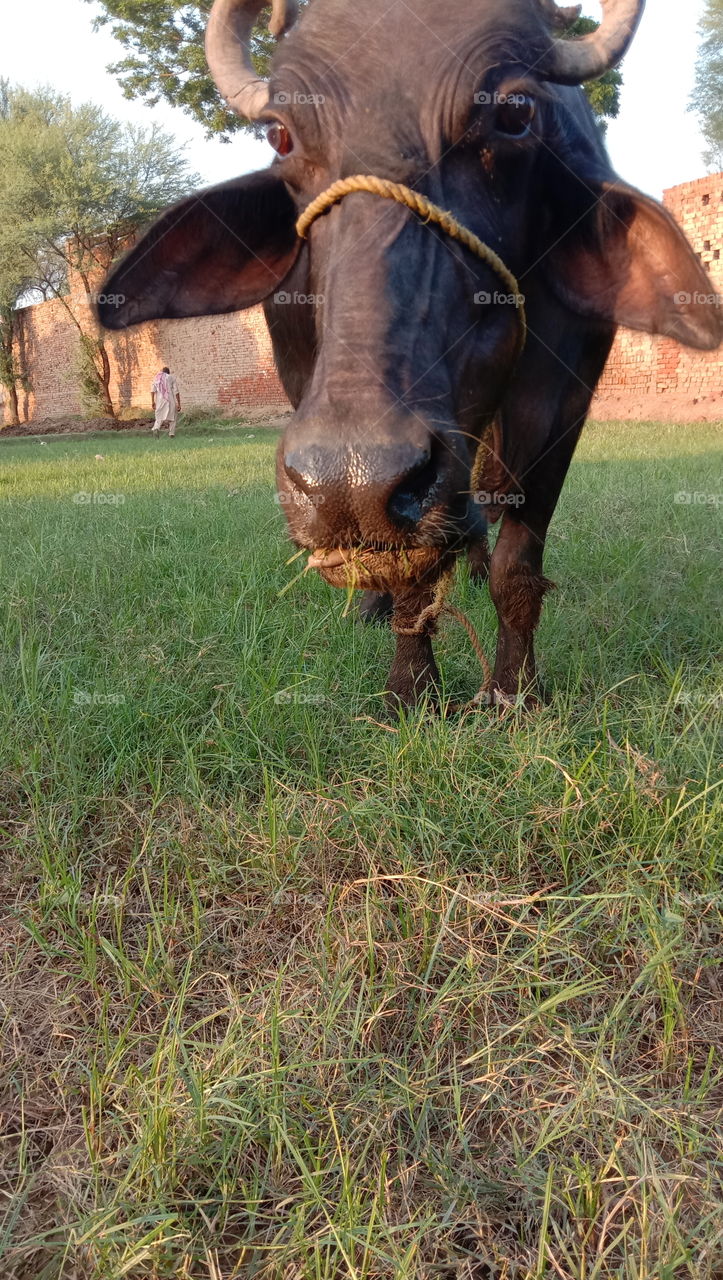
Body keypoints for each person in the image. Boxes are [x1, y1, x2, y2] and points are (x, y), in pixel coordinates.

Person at [151, 367, 181, 437]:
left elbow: (152, 391)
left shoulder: (156, 378)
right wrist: (179, 404)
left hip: (159, 401)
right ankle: (171, 433)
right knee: (173, 416)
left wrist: (152, 401)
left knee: (159, 417)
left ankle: (156, 428)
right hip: (170, 400)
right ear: (168, 372)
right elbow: (176, 392)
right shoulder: (171, 378)